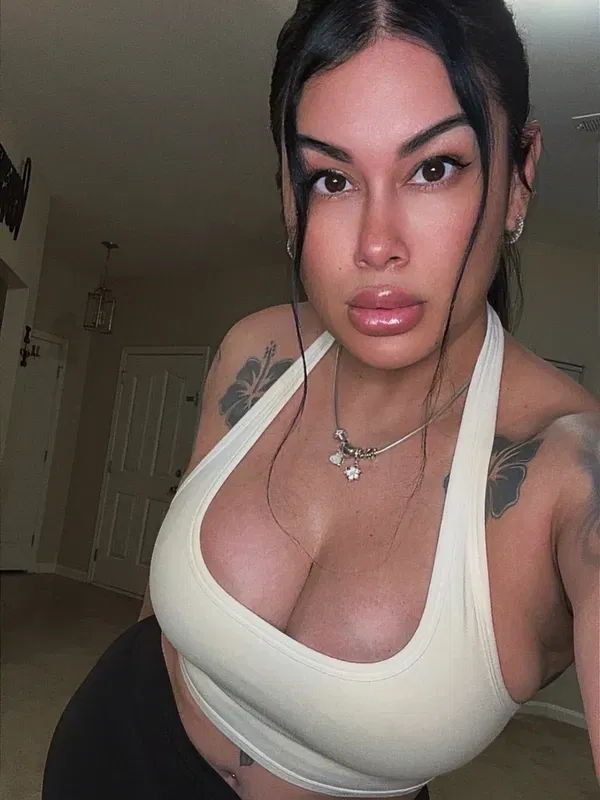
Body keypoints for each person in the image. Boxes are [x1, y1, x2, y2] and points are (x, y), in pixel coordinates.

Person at [43, 1, 599, 798]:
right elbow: (160, 613)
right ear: (287, 190)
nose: (376, 244)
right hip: (110, 749)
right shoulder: (257, 352)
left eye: (433, 168)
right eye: (332, 179)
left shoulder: (570, 472)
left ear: (520, 176)